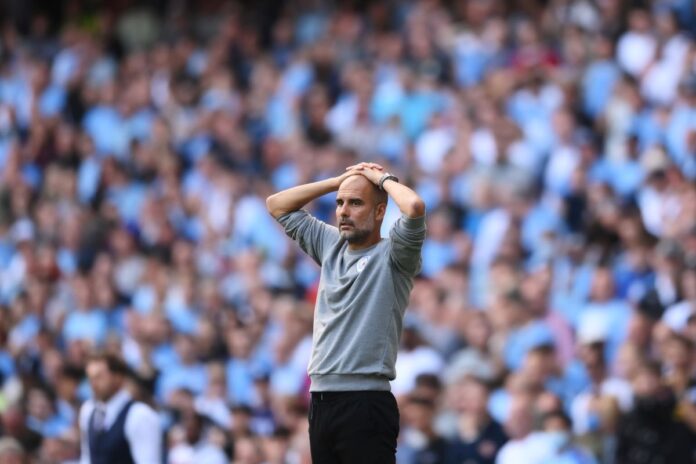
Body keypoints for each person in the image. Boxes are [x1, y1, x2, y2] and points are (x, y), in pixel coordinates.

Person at [266, 161, 426, 463]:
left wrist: (383, 180)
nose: (343, 210)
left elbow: (414, 206)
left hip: (365, 401)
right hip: (321, 400)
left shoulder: (395, 255)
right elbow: (277, 205)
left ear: (380, 212)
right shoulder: (330, 245)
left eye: (355, 202)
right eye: (340, 203)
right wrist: (340, 181)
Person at [79, 352, 162, 464]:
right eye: (90, 378)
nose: (93, 384)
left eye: (99, 377)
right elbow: (87, 458)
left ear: (118, 378)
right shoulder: (88, 411)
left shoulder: (140, 415)